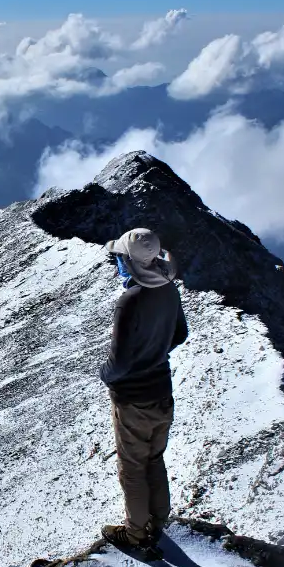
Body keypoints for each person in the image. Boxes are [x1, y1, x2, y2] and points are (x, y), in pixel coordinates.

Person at [99, 227, 189, 548]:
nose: (118, 262)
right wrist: (154, 351)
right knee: (154, 458)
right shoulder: (169, 291)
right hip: (162, 394)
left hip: (133, 400)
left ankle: (136, 533)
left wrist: (105, 374)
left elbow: (119, 363)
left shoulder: (130, 301)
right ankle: (158, 519)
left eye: (121, 257)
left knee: (132, 467)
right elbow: (180, 334)